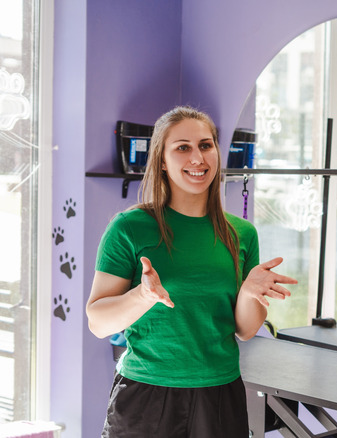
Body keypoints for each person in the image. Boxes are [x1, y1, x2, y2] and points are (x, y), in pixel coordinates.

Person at [86, 106, 297, 437]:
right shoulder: (129, 228)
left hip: (220, 395)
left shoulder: (241, 233)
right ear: (161, 161)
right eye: (182, 147)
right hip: (146, 395)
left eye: (206, 145)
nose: (197, 157)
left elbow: (244, 330)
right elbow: (98, 322)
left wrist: (248, 292)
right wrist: (142, 296)